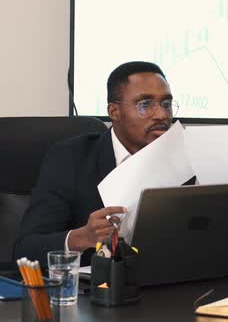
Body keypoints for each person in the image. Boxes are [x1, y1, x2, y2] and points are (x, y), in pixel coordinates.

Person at [14, 61, 179, 267]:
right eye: (145, 105)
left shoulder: (180, 159)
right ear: (114, 112)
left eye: (166, 104)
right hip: (93, 289)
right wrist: (82, 237)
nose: (162, 115)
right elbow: (25, 248)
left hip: (163, 281)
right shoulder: (71, 158)